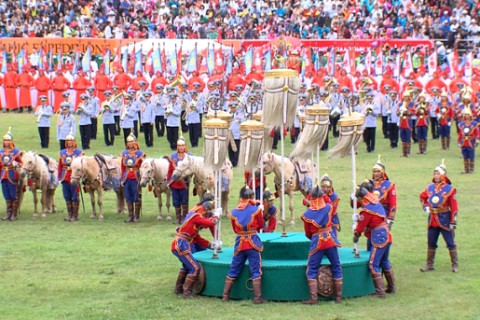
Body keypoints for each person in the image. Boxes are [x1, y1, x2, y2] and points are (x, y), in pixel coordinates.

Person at [222, 186, 267, 304]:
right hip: (252, 242)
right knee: (255, 269)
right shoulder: (255, 210)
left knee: (234, 268)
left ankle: (225, 296)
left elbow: (234, 229)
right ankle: (257, 298)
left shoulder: (233, 212)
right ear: (251, 197)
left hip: (240, 243)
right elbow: (261, 225)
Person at [171, 193, 219, 298]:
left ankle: (178, 288)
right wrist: (216, 216)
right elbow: (209, 223)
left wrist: (210, 244)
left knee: (187, 265)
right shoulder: (196, 216)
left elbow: (196, 238)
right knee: (195, 267)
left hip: (181, 244)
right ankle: (187, 293)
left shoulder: (195, 216)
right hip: (181, 244)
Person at [301, 185, 342, 304]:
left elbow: (308, 232)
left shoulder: (307, 214)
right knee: (336, 266)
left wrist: (314, 237)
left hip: (317, 241)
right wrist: (323, 194)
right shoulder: (328, 207)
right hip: (330, 239)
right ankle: (338, 298)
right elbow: (329, 202)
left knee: (312, 269)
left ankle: (313, 299)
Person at [353, 181, 395, 298]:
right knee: (384, 262)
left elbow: (360, 228)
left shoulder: (366, 210)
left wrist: (355, 235)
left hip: (379, 237)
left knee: (373, 264)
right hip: (386, 234)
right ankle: (391, 287)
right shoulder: (376, 203)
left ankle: (380, 292)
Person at [419, 160, 459, 272]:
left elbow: (454, 207)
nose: (436, 176)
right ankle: (429, 264)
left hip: (445, 218)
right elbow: (422, 197)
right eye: (435, 173)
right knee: (431, 242)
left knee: (450, 242)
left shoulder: (450, 189)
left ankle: (454, 264)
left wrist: (453, 221)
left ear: (443, 175)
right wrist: (425, 206)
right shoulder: (430, 187)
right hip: (432, 219)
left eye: (438, 173)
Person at [58, 131, 83, 221]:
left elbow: (81, 166)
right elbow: (60, 166)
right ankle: (70, 214)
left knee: (75, 196)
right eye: (68, 141)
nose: (69, 143)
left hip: (74, 175)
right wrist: (59, 177)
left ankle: (75, 215)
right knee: (67, 196)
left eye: (71, 141)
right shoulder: (62, 153)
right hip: (65, 176)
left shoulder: (79, 153)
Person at [121, 133, 145, 223]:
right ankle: (130, 215)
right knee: (128, 196)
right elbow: (122, 167)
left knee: (136, 196)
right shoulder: (124, 153)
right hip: (127, 177)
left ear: (135, 142)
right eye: (128, 142)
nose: (130, 144)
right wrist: (122, 177)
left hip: (136, 176)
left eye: (131, 142)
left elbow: (143, 166)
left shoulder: (140, 153)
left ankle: (136, 216)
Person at [370, 156, 397, 236]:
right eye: (374, 171)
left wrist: (390, 219)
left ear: (382, 172)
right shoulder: (369, 184)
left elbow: (393, 204)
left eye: (378, 172)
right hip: (371, 215)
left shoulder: (389, 185)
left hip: (383, 214)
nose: (376, 174)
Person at [167, 137, 191, 224]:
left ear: (185, 146)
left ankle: (184, 217)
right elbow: (170, 170)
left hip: (184, 182)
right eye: (179, 146)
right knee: (176, 201)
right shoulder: (173, 157)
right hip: (174, 182)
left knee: (184, 200)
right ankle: (178, 218)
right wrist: (168, 180)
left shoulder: (189, 157)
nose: (181, 147)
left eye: (182, 145)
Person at [0, 128, 22, 221]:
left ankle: (14, 213)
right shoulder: (1, 152)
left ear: (11, 141)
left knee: (13, 195)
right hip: (3, 175)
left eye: (8, 140)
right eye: (5, 140)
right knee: (6, 195)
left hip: (12, 174)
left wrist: (15, 164)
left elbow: (21, 163)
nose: (6, 142)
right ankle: (8, 213)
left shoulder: (16, 152)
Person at [457, 107, 479, 174]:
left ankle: (471, 169)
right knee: (465, 156)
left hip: (471, 142)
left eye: (468, 114)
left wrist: (477, 140)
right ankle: (466, 169)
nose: (467, 116)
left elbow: (477, 133)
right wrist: (459, 141)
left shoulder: (474, 124)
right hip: (464, 142)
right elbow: (460, 134)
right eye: (466, 114)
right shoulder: (462, 124)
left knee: (471, 156)